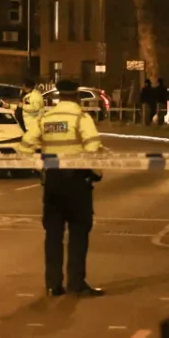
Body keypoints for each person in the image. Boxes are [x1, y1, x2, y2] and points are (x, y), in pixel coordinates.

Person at [19, 79, 104, 298]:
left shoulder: (46, 119)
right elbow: (93, 149)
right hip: (76, 182)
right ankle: (76, 282)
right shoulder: (81, 118)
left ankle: (53, 285)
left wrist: (42, 167)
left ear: (57, 97)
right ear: (76, 96)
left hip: (53, 183)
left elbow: (24, 147)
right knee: (78, 232)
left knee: (53, 235)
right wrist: (96, 172)